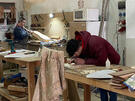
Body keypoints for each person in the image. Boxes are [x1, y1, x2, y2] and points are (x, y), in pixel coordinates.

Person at [66, 31, 120, 101]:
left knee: (111, 87)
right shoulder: (81, 44)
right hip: (101, 66)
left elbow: (101, 62)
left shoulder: (95, 42)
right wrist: (74, 60)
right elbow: (85, 56)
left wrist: (84, 61)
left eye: (75, 55)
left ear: (76, 51)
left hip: (113, 63)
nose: (75, 56)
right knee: (101, 86)